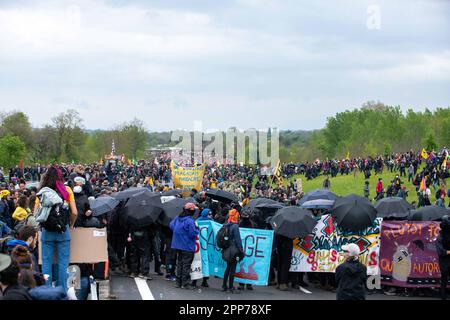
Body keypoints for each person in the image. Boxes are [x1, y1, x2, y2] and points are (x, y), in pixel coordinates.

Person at [35, 166, 78, 294]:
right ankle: (62, 292)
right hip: (63, 231)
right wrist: (70, 224)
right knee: (63, 263)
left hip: (47, 232)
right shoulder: (67, 190)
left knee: (46, 263)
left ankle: (47, 291)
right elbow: (74, 212)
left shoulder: (42, 192)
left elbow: (36, 213)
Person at [170, 202, 199, 290]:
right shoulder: (190, 221)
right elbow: (192, 234)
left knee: (180, 263)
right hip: (187, 246)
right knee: (186, 265)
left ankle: (178, 282)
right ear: (191, 211)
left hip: (177, 245)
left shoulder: (178, 218)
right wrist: (197, 229)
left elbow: (171, 225)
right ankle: (185, 283)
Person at [221, 209, 244, 294]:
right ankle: (231, 287)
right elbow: (238, 241)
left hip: (227, 250)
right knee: (233, 269)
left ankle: (224, 286)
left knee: (228, 268)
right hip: (234, 251)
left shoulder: (226, 225)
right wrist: (241, 251)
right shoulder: (235, 226)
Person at [436, 215, 450, 300]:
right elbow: (441, 252)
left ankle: (443, 295)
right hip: (444, 260)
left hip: (445, 260)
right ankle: (443, 296)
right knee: (444, 279)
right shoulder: (440, 237)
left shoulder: (440, 236)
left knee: (444, 279)